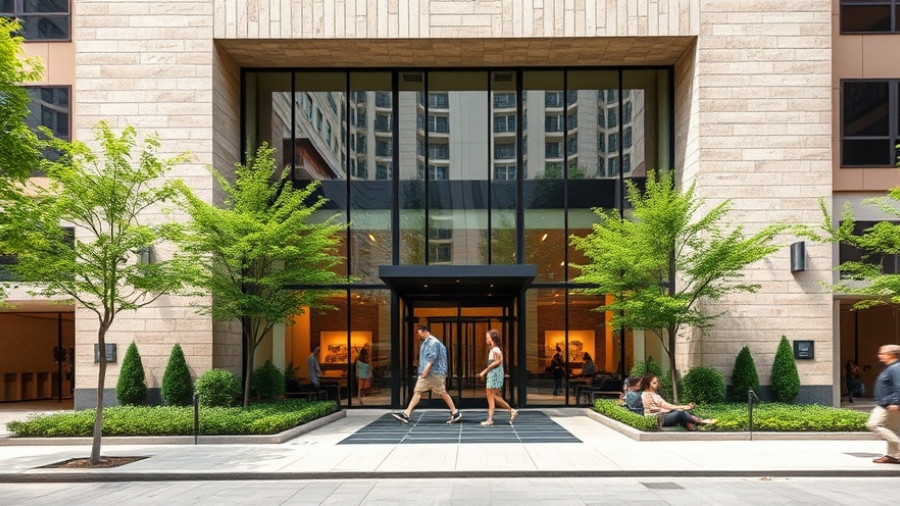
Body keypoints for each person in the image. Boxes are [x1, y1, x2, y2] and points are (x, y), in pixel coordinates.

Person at [392, 325, 462, 424]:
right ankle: (406, 414)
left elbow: (432, 357)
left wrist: (425, 369)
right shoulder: (425, 343)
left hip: (434, 373)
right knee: (418, 391)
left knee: (442, 392)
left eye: (419, 333)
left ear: (425, 332)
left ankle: (455, 413)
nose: (418, 335)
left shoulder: (433, 342)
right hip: (427, 373)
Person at [641, 374, 716, 430]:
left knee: (682, 413)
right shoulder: (645, 395)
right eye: (654, 383)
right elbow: (655, 409)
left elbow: (668, 405)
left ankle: (693, 430)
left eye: (657, 382)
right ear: (647, 384)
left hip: (663, 415)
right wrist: (681, 408)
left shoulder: (656, 395)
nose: (657, 384)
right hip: (657, 419)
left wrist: (686, 407)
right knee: (680, 414)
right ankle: (701, 422)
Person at [477, 329, 518, 426]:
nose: (486, 340)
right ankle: (491, 418)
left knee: (492, 396)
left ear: (492, 339)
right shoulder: (494, 349)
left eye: (487, 338)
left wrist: (484, 371)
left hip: (495, 374)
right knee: (491, 396)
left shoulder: (496, 350)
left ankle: (510, 410)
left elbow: (497, 362)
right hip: (493, 374)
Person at [868, 344, 900, 464]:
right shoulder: (891, 367)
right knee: (892, 429)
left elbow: (899, 386)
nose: (879, 356)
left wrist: (896, 402)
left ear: (891, 354)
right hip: (887, 404)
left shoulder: (896, 368)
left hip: (889, 405)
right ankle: (893, 456)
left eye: (882, 353)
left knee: (873, 424)